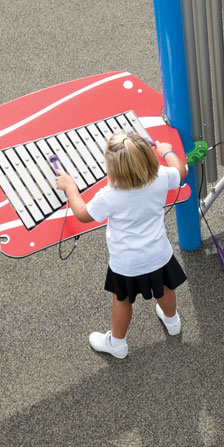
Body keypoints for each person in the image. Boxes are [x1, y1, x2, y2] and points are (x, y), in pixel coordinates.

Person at [55, 132, 190, 359]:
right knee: (166, 287)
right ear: (147, 158)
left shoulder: (109, 195)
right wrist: (166, 151)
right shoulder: (160, 176)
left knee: (122, 300)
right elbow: (181, 171)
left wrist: (70, 187)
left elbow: (82, 214)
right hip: (159, 253)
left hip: (126, 263)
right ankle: (172, 321)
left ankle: (117, 344)